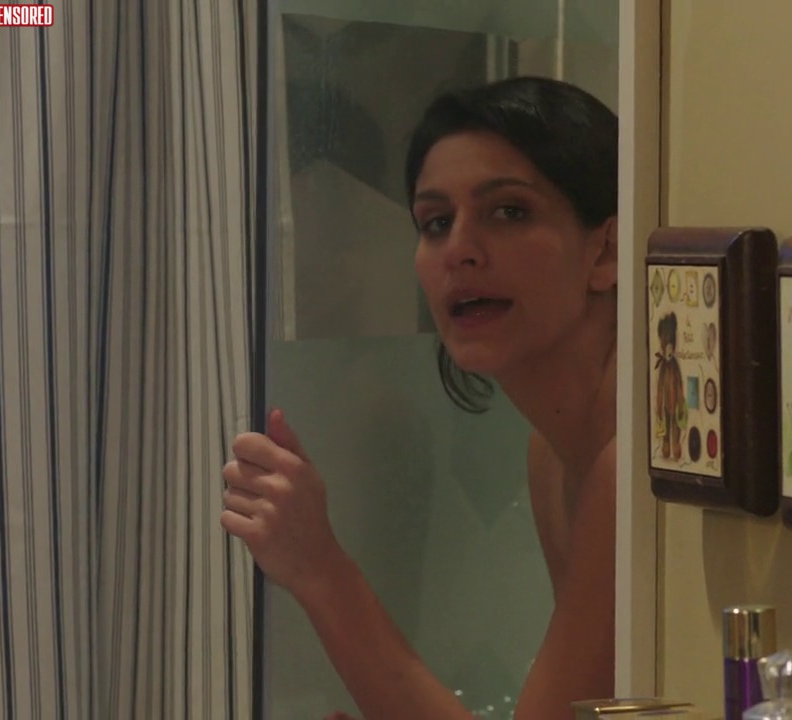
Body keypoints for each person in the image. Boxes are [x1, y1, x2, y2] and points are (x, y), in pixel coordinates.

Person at [220, 76, 619, 720]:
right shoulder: (550, 457)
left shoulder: (629, 465)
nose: (459, 250)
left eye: (509, 212)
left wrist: (321, 568)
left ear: (607, 249)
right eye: (436, 222)